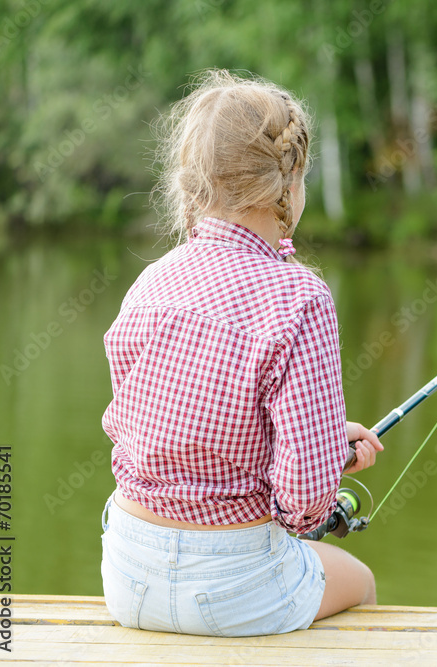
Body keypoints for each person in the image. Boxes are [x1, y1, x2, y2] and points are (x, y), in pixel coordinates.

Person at [99, 69, 383, 637]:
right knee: (361, 580)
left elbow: (162, 433)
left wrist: (323, 440)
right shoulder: (301, 296)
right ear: (289, 183)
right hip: (233, 590)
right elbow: (304, 505)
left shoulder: (151, 281)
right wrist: (328, 457)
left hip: (127, 579)